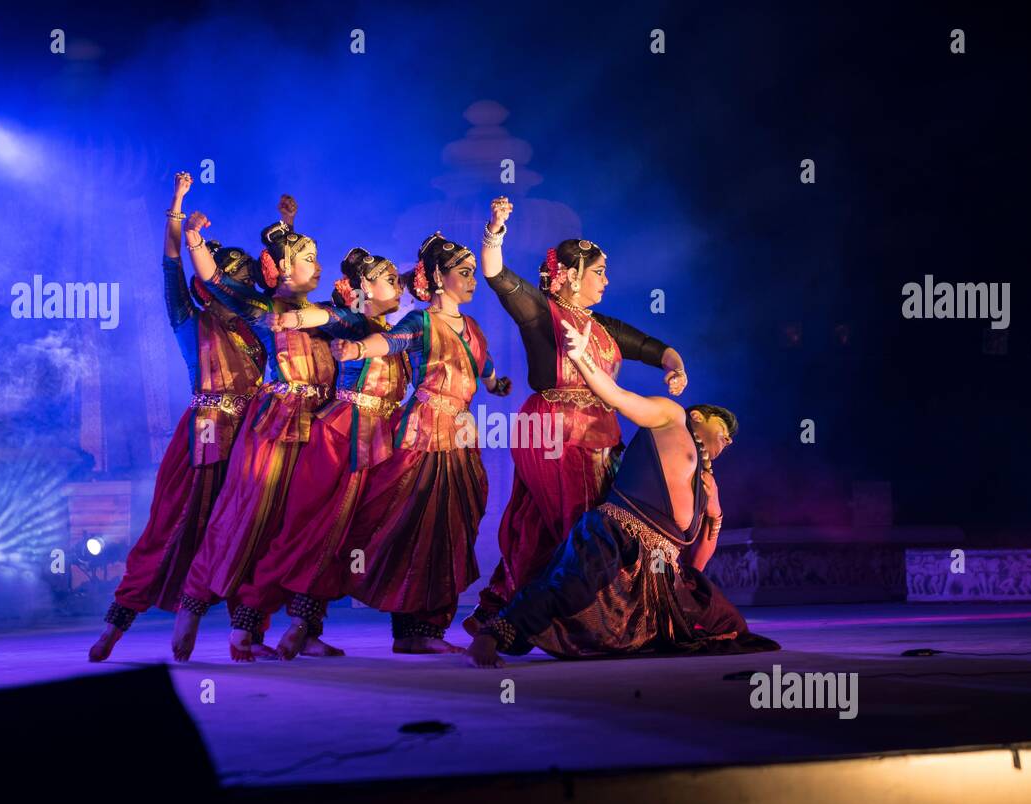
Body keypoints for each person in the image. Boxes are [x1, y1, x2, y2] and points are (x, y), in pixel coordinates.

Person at [466, 315, 779, 668]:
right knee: (570, 585)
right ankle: (492, 635)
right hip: (617, 531)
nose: (729, 437)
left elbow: (699, 562)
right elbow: (616, 395)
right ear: (698, 417)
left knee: (727, 625)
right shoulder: (671, 416)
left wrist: (715, 510)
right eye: (723, 425)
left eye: (732, 436)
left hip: (659, 564)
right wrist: (583, 356)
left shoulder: (706, 478)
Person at [464, 196, 690, 637]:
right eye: (599, 272)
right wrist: (495, 229)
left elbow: (651, 346)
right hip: (553, 429)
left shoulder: (601, 325)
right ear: (568, 276)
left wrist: (674, 366)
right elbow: (496, 273)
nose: (607, 279)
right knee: (579, 522)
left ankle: (506, 610)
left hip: (599, 434)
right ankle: (570, 621)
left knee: (540, 525)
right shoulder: (540, 313)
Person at [89, 172, 267, 661]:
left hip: (250, 436)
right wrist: (177, 207)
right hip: (203, 434)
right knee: (172, 525)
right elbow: (169, 266)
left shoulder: (260, 330)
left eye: (244, 281)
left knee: (246, 525)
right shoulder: (190, 320)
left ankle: (244, 635)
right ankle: (116, 625)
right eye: (231, 279)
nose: (239, 287)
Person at [170, 202, 346, 661]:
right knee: (248, 520)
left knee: (306, 529)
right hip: (275, 422)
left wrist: (288, 228)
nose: (319, 265)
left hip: (319, 425)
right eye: (310, 257)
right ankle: (196, 604)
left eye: (317, 257)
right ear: (285, 267)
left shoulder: (328, 313)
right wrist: (191, 236)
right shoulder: (264, 309)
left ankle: (300, 627)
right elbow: (214, 281)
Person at [225, 247, 411, 658]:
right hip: (337, 437)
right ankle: (246, 625)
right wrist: (291, 318)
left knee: (341, 538)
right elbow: (324, 316)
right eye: (389, 278)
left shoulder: (395, 327)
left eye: (398, 279)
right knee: (305, 533)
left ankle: (304, 626)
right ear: (364, 287)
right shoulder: (353, 319)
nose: (397, 285)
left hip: (374, 440)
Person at [333, 231, 512, 652]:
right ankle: (415, 630)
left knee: (457, 525)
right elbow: (389, 342)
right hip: (425, 430)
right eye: (464, 273)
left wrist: (496, 383)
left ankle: (426, 630)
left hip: (462, 435)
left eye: (473, 274)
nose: (472, 281)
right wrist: (358, 349)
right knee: (420, 523)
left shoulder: (472, 326)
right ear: (437, 276)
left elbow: (482, 366)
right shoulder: (422, 321)